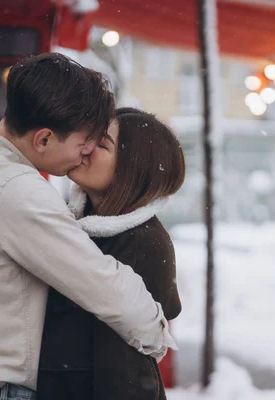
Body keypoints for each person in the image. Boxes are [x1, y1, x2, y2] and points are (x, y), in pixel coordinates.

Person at [0, 54, 175, 400]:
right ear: (43, 139)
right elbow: (102, 283)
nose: (84, 153)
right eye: (83, 142)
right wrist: (157, 331)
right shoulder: (16, 191)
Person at [37, 108, 185, 400]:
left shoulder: (143, 243)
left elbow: (123, 369)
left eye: (102, 144)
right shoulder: (78, 228)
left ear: (132, 169)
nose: (86, 148)